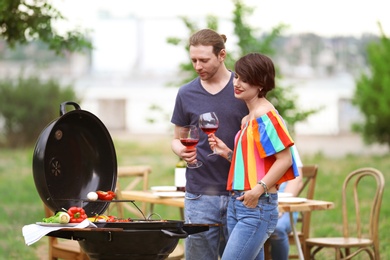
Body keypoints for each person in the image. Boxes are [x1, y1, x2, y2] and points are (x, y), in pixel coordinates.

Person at [208, 52, 300, 260]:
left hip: (256, 206)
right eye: (237, 76)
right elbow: (255, 164)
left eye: (245, 80)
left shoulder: (264, 115)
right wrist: (228, 153)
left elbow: (285, 160)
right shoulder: (247, 118)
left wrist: (257, 191)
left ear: (260, 84)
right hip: (238, 202)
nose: (237, 83)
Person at [170, 29, 248, 260]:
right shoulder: (186, 93)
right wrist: (181, 150)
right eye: (193, 60)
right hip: (199, 195)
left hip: (240, 192)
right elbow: (176, 138)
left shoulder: (243, 90)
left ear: (222, 55)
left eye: (204, 60)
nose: (197, 66)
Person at [268, 145, 303, 260]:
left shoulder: (286, 144)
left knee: (276, 228)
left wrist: (280, 206)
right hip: (261, 202)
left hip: (284, 205)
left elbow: (297, 181)